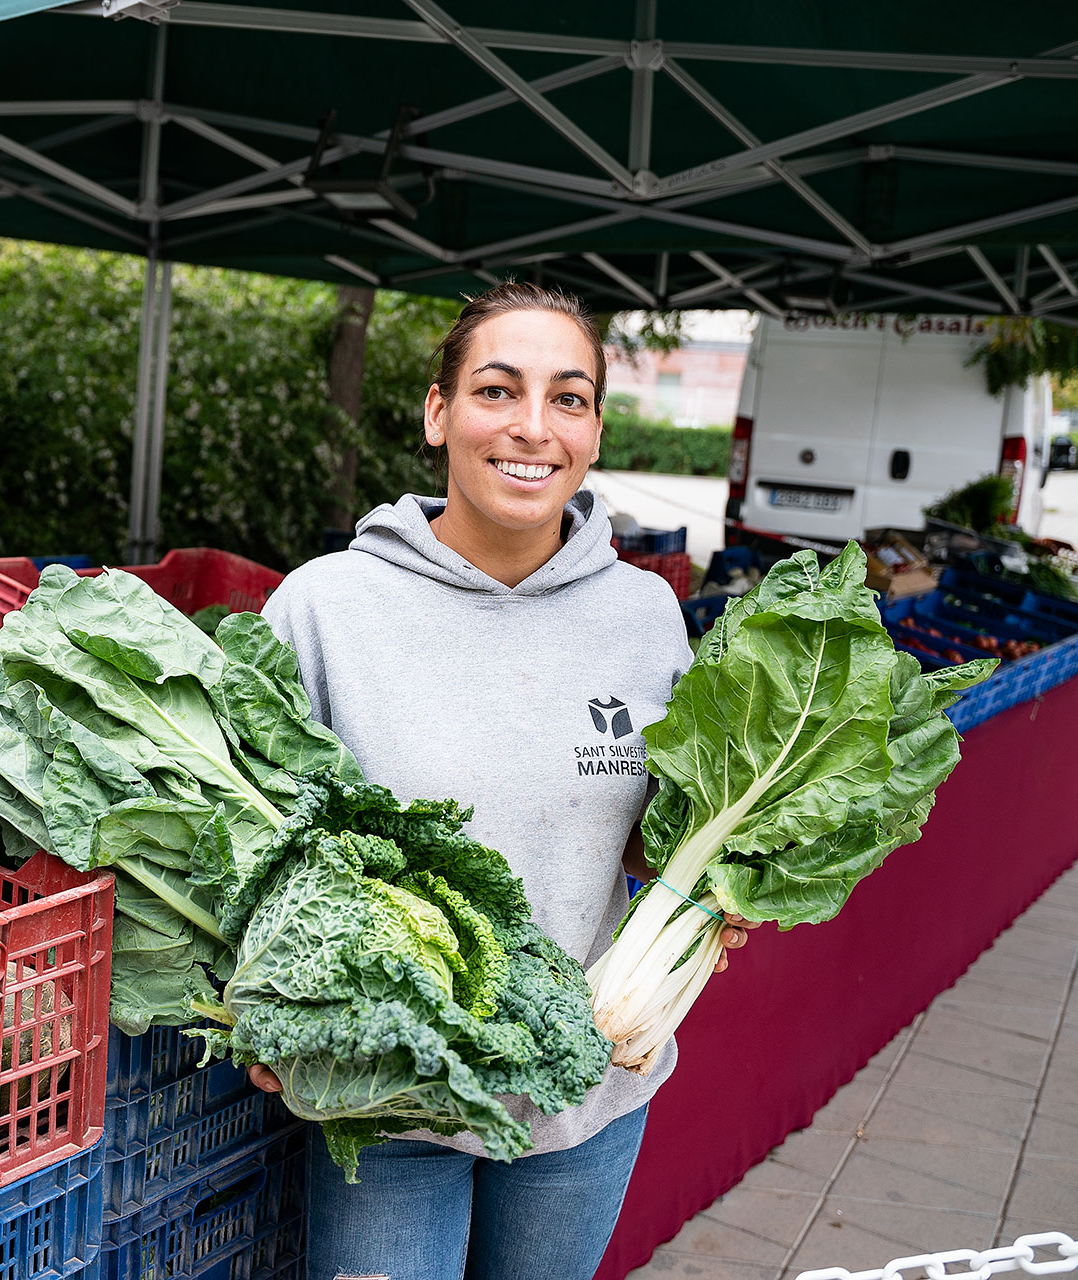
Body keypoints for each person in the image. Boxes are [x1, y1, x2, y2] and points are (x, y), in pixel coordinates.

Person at [246, 282, 753, 1280]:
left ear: (596, 429)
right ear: (439, 415)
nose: (532, 427)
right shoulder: (327, 608)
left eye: (568, 398)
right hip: (386, 1089)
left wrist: (716, 893)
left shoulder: (646, 616)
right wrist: (264, 1002)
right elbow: (256, 842)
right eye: (496, 390)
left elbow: (655, 830)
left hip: (587, 1088)